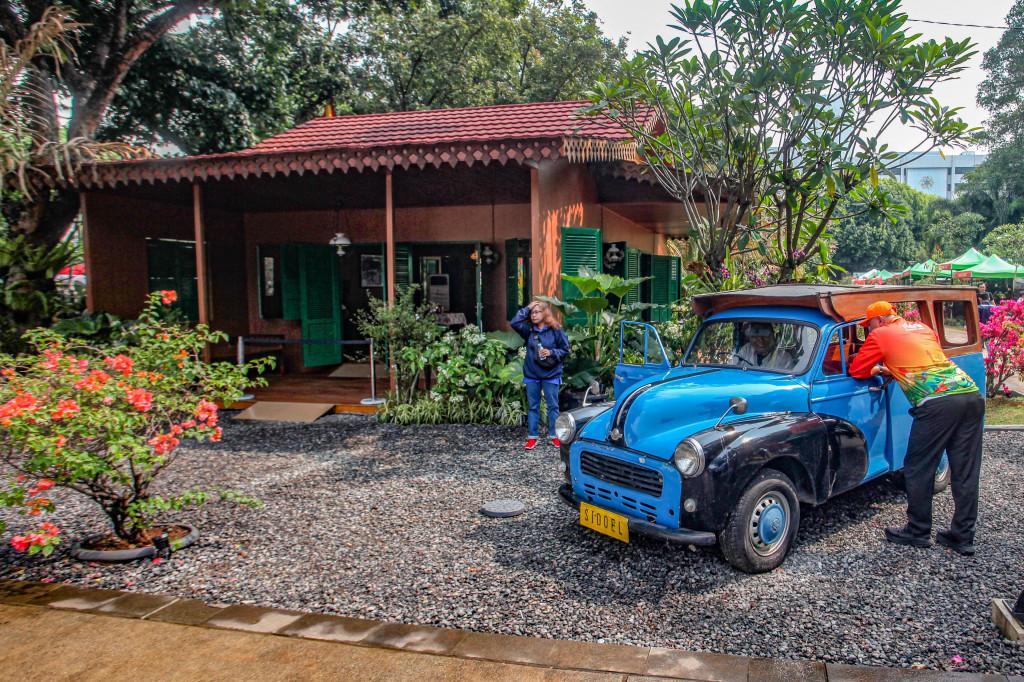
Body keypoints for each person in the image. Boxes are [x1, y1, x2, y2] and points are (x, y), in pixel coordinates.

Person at [848, 301, 984, 555]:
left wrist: (879, 368)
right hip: (969, 393)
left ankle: (918, 530)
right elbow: (925, 361)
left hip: (936, 403)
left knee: (918, 466)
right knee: (965, 470)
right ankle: (963, 536)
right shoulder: (922, 328)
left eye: (869, 326)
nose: (869, 330)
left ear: (878, 321)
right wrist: (896, 368)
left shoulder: (880, 334)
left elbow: (857, 370)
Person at [510, 300, 570, 450]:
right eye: (532, 313)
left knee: (553, 406)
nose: (533, 315)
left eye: (537, 312)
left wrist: (551, 352)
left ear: (545, 313)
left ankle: (555, 436)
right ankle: (532, 437)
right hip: (532, 374)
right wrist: (528, 307)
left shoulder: (556, 329)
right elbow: (514, 322)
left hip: (551, 373)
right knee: (533, 406)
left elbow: (565, 349)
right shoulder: (528, 330)